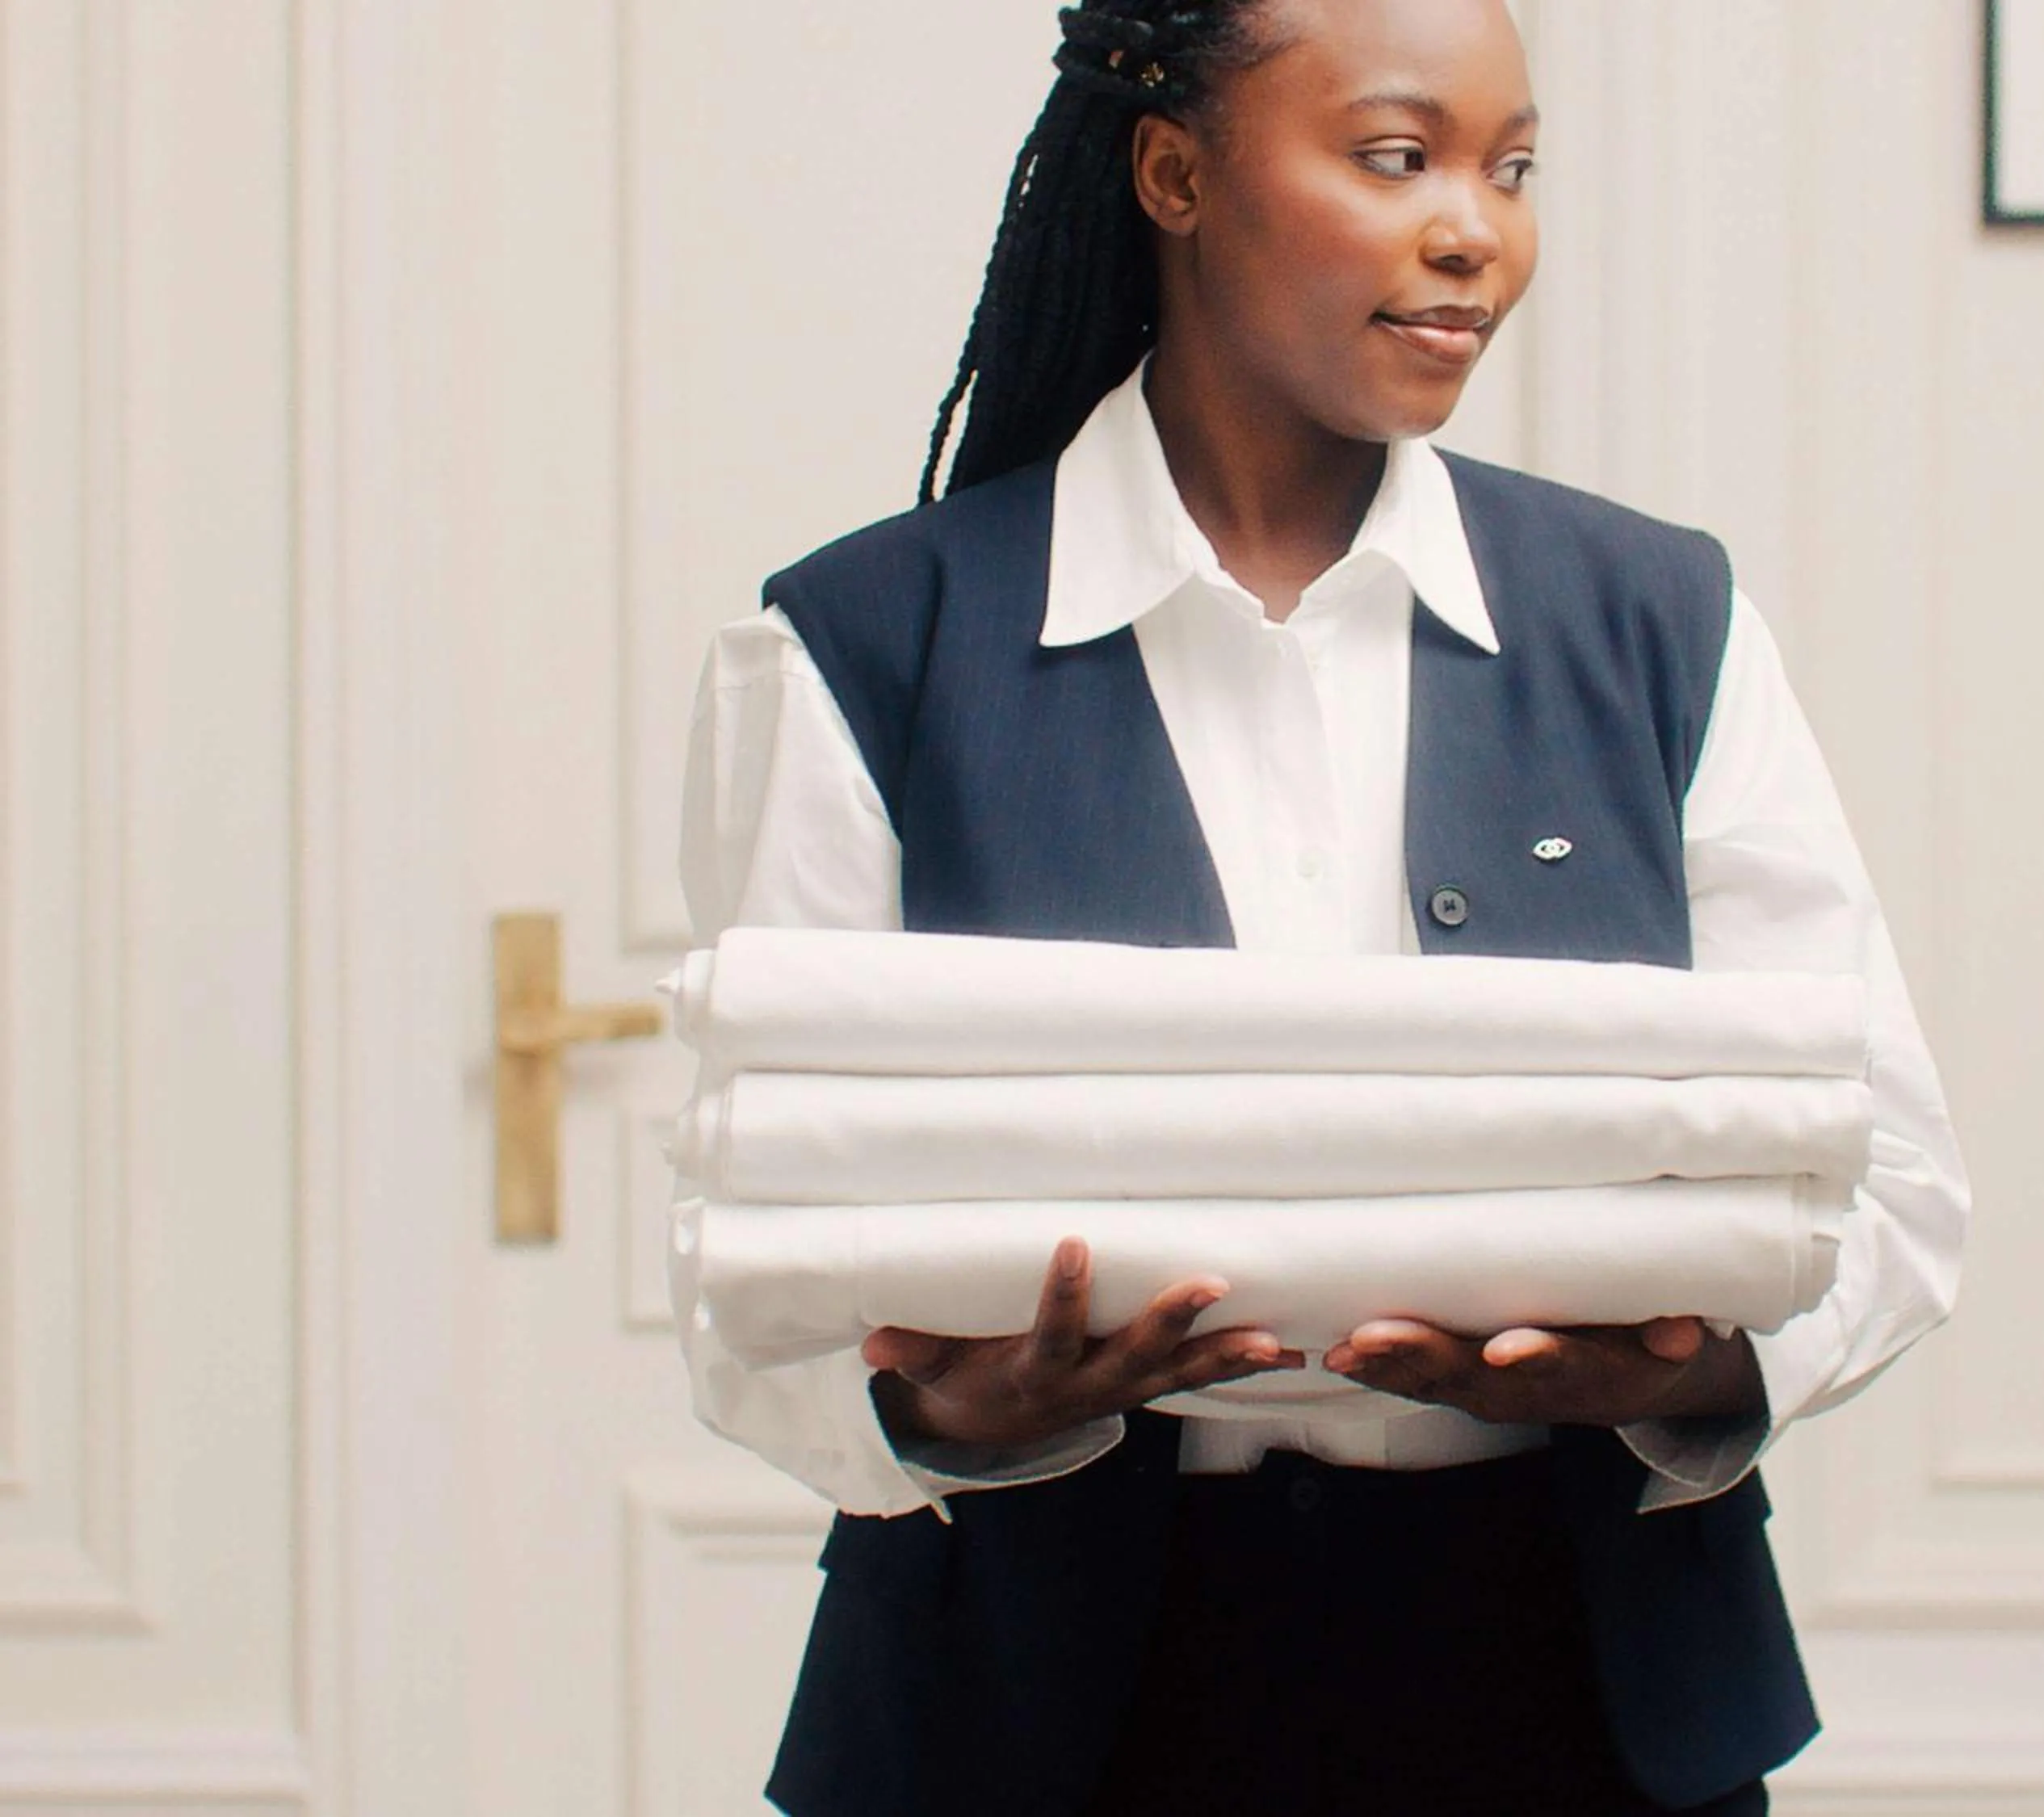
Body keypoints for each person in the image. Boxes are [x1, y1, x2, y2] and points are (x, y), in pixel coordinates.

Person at [671, 2, 1969, 1812]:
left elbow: (1893, 1178)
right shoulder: (861, 648)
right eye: (1395, 156)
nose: (1476, 228)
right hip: (1031, 1720)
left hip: (1581, 1693)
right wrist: (941, 1416)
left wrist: (1676, 1373)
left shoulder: (1658, 623)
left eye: (1513, 171)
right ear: (1176, 170)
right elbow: (750, 1279)